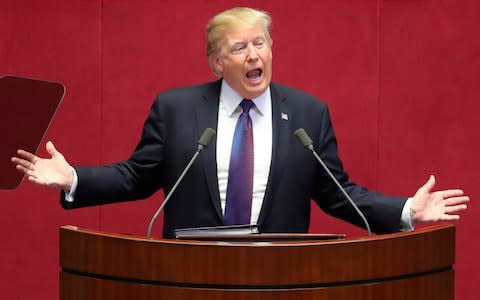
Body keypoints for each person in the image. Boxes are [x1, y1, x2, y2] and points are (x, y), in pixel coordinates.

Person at [11, 7, 468, 238]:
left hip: (279, 281)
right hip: (190, 281)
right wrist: (73, 179)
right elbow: (136, 176)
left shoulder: (307, 115)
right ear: (216, 63)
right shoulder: (176, 110)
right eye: (238, 48)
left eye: (260, 43)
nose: (253, 55)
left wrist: (408, 210)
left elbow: (338, 193)